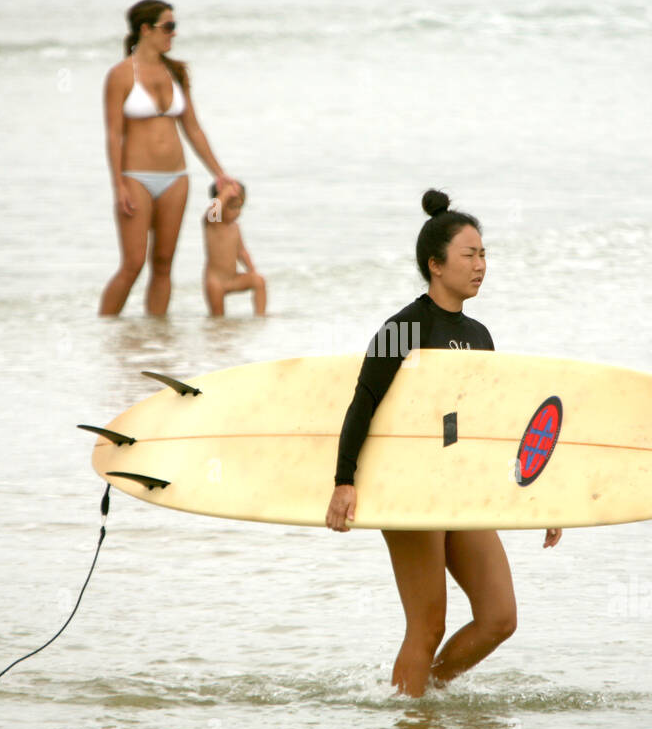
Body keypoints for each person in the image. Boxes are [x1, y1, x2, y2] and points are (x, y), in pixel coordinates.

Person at [325, 189, 563, 698]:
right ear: (436, 265)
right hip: (410, 489)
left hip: (459, 488)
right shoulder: (403, 327)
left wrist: (538, 497)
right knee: (427, 626)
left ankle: (422, 695)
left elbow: (489, 428)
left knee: (499, 617)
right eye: (468, 255)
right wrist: (344, 481)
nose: (480, 265)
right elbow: (362, 404)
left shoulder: (480, 335)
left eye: (483, 255)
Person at [99, 0, 239, 317]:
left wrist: (219, 172)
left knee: (163, 264)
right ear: (145, 30)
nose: (173, 34)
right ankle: (105, 333)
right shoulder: (120, 75)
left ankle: (156, 338)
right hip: (136, 178)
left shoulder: (176, 72)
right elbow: (113, 135)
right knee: (133, 264)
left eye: (174, 27)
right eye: (168, 27)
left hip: (177, 178)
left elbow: (192, 127)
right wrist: (118, 185)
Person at [202, 181, 266, 317]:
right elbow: (215, 208)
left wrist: (251, 270)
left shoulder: (235, 227)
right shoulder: (213, 223)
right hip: (215, 282)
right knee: (218, 320)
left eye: (240, 207)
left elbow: (241, 252)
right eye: (232, 207)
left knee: (259, 281)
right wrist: (226, 191)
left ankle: (261, 317)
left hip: (232, 279)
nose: (237, 212)